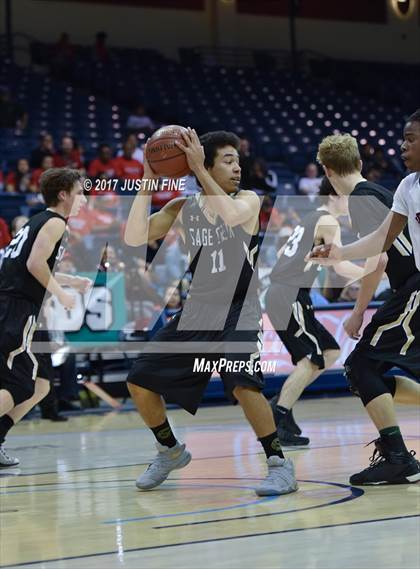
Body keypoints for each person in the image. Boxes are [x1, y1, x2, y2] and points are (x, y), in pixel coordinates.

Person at [124, 129, 298, 496]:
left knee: (242, 383)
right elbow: (136, 236)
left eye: (238, 160)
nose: (238, 167)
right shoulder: (183, 208)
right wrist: (147, 180)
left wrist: (199, 171)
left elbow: (232, 216)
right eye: (228, 160)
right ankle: (169, 450)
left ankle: (279, 464)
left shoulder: (249, 198)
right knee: (139, 380)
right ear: (204, 162)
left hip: (240, 307)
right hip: (198, 311)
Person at [310, 121, 420, 485]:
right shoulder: (404, 186)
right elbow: (381, 241)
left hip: (412, 289)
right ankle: (398, 457)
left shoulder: (360, 197)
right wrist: (339, 251)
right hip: (409, 289)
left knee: (361, 366)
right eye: (402, 138)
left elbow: (381, 260)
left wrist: (358, 311)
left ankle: (399, 459)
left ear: (327, 170)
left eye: (410, 139)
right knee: (368, 369)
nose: (402, 146)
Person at [0, 168, 91, 464]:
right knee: (18, 385)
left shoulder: (38, 221)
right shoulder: (55, 223)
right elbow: (34, 264)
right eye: (79, 193)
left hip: (15, 306)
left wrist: (71, 281)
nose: (84, 200)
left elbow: (34, 265)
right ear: (63, 194)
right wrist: (63, 295)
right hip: (17, 308)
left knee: (40, 384)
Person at [266, 177, 363, 446]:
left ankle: (282, 400)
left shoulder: (310, 217)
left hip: (288, 292)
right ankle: (278, 417)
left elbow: (286, 250)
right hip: (289, 292)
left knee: (330, 352)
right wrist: (373, 275)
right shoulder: (329, 220)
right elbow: (340, 266)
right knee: (311, 358)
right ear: (334, 194)